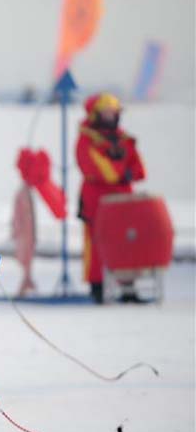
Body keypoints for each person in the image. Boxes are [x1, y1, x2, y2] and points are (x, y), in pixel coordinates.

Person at [76, 92, 146, 303]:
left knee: (127, 242)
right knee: (96, 243)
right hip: (96, 202)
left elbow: (139, 169)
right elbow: (99, 170)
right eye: (107, 111)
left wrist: (125, 173)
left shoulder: (124, 139)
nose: (111, 115)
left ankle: (128, 288)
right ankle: (97, 287)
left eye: (113, 111)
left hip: (123, 202)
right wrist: (122, 172)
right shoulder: (87, 139)